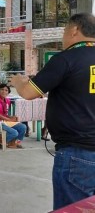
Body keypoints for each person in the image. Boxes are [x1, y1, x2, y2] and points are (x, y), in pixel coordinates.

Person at [10, 13, 95, 210]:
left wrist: (19, 82)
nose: (64, 37)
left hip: (78, 153)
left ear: (74, 30)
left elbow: (29, 92)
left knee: (72, 208)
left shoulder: (66, 59)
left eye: (64, 31)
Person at [0, 84, 26, 148]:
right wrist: (9, 120)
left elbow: (4, 114)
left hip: (3, 121)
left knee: (22, 127)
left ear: (8, 92)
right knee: (14, 133)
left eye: (6, 90)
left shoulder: (7, 100)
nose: (4, 91)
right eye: (2, 89)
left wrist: (12, 117)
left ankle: (14, 143)